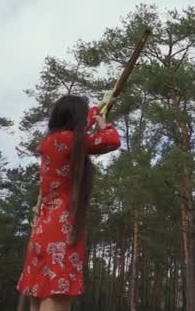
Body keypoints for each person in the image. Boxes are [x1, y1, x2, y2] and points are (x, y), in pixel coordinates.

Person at [16, 95, 121, 311]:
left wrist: (97, 109)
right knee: (57, 292)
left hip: (42, 228)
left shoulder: (51, 142)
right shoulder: (70, 142)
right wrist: (103, 123)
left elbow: (82, 127)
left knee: (40, 291)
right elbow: (112, 140)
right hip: (62, 229)